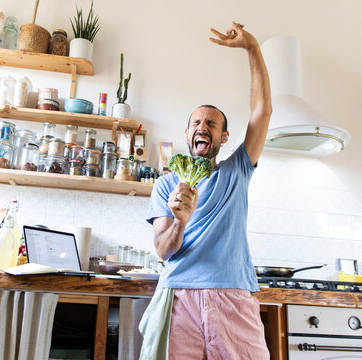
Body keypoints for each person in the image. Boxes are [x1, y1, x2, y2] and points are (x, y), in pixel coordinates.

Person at [140, 22, 272, 359]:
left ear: (224, 137)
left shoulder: (237, 171)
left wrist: (252, 48)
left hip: (233, 295)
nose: (203, 127)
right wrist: (179, 221)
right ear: (187, 133)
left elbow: (262, 112)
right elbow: (163, 250)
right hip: (179, 297)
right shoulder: (167, 183)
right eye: (197, 122)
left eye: (212, 123)